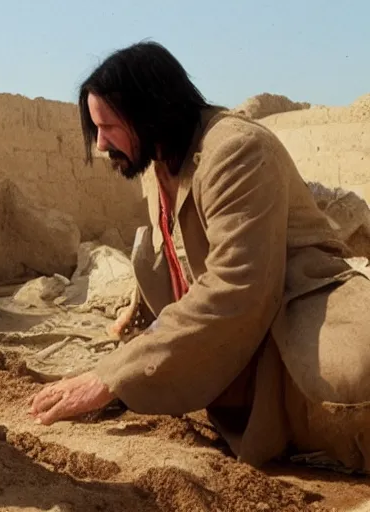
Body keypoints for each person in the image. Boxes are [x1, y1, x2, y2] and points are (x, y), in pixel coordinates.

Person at [29, 41, 370, 473]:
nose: (100, 145)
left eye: (109, 126)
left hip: (292, 313)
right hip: (229, 339)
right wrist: (135, 316)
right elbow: (178, 246)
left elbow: (237, 287)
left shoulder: (236, 151)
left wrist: (112, 375)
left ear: (148, 112)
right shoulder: (157, 162)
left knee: (349, 382)